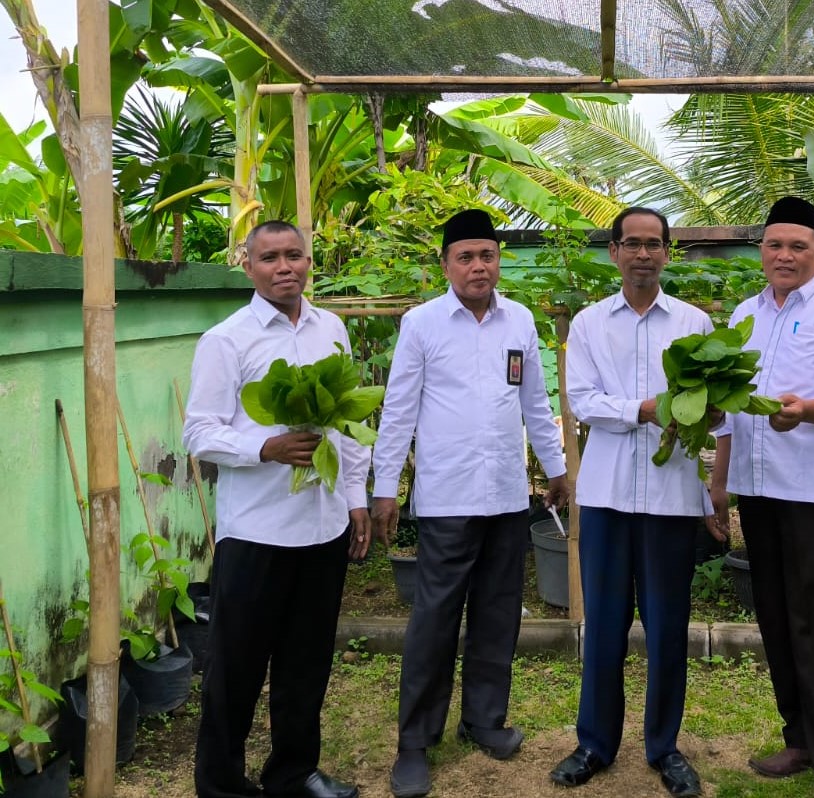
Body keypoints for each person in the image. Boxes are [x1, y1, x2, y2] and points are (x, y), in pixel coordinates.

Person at [370, 208, 570, 798]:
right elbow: (399, 411)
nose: (478, 266)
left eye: (487, 255)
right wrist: (386, 488)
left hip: (507, 496)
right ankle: (414, 742)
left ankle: (484, 719)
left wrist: (556, 470)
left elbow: (536, 402)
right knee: (434, 621)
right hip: (447, 497)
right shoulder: (422, 324)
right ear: (446, 264)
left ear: (497, 260)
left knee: (498, 613)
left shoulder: (521, 321)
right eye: (466, 257)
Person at [184, 220, 369, 798]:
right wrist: (262, 446)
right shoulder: (227, 339)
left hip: (323, 525)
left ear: (308, 261)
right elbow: (199, 432)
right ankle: (220, 785)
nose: (284, 266)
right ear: (249, 266)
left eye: (294, 255)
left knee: (306, 665)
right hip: (257, 531)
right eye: (270, 258)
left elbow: (348, 428)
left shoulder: (331, 328)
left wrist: (356, 499)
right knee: (235, 669)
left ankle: (293, 773)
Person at [549, 207, 724, 798]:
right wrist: (649, 410)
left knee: (668, 626)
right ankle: (594, 744)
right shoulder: (591, 324)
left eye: (654, 244)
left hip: (673, 498)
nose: (643, 254)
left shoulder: (695, 323)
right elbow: (583, 402)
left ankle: (664, 748)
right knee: (603, 625)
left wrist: (709, 414)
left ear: (668, 253)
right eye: (632, 244)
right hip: (605, 497)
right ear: (614, 252)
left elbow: (710, 403)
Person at [708, 196, 814, 798]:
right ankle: (800, 738)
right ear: (762, 252)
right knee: (778, 619)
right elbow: (729, 403)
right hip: (758, 490)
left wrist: (808, 411)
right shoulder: (745, 313)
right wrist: (720, 481)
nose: (785, 256)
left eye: (797, 246)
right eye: (775, 245)